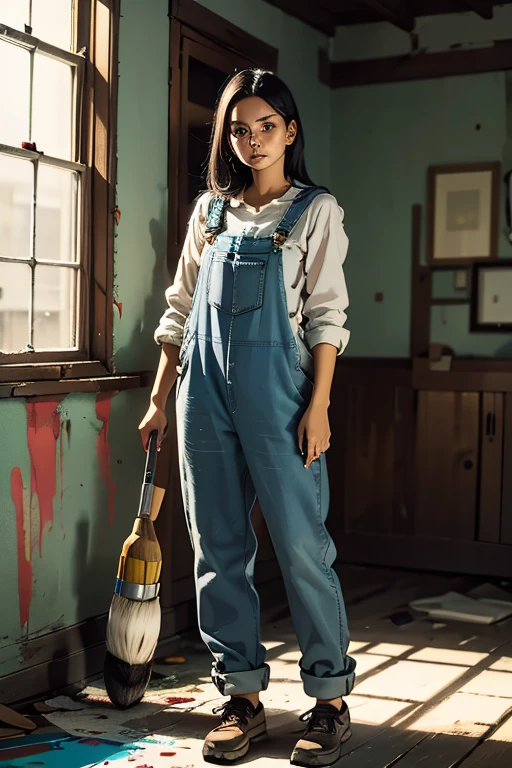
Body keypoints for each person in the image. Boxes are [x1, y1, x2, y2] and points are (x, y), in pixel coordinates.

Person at [139, 67, 356, 767]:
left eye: (267, 127)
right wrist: (158, 397)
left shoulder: (314, 212)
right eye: (240, 129)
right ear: (227, 138)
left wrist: (318, 407)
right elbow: (177, 314)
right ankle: (242, 696)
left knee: (300, 547)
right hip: (201, 395)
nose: (253, 140)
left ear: (291, 132)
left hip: (284, 399)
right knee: (217, 548)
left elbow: (327, 317)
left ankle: (328, 700)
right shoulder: (209, 215)